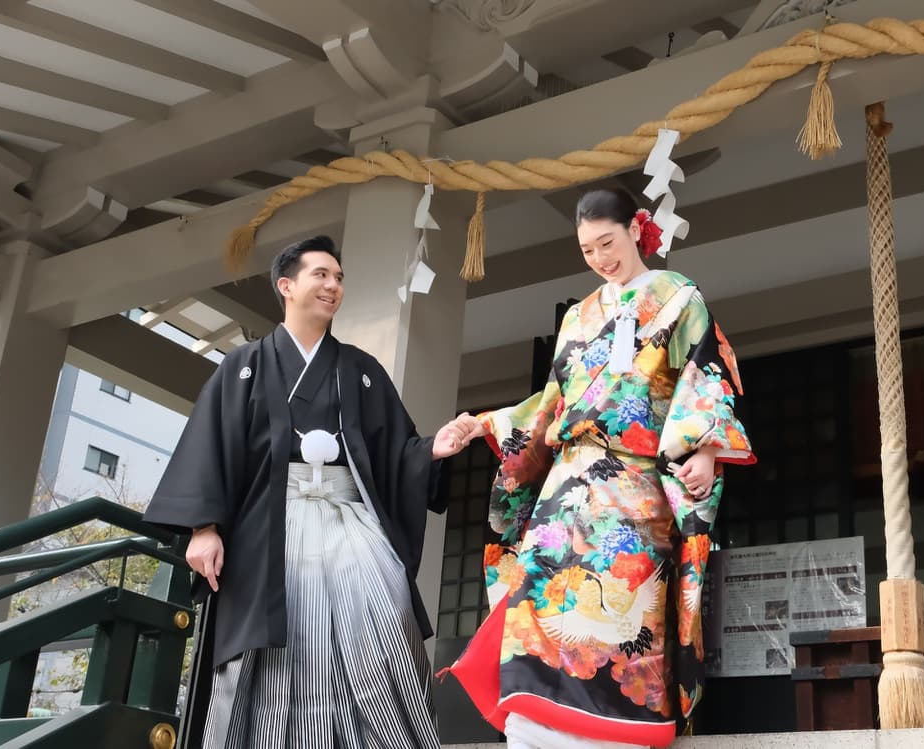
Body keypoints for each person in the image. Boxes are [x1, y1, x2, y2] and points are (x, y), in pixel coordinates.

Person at [448, 188, 755, 748]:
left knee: (624, 607)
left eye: (607, 243)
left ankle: (619, 731)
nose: (599, 258)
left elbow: (706, 375)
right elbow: (551, 404)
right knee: (536, 598)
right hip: (566, 492)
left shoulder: (677, 297)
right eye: (588, 249)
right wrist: (487, 423)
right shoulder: (577, 319)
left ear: (637, 229)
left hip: (635, 488)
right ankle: (534, 725)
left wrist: (706, 450)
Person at [144, 235, 473, 748]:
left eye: (339, 278)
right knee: (276, 658)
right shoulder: (244, 367)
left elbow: (396, 450)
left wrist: (432, 450)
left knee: (387, 636)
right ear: (286, 285)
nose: (333, 286)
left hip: (350, 524)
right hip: (269, 532)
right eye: (321, 275)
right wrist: (203, 528)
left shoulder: (361, 371)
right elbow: (213, 445)